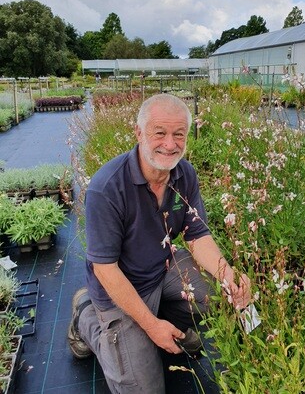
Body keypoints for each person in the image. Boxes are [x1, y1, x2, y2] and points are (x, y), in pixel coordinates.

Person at [68, 93, 251, 394]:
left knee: (216, 293)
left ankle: (165, 319)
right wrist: (152, 328)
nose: (170, 144)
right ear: (139, 133)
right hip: (119, 290)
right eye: (160, 133)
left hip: (162, 270)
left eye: (179, 134)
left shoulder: (184, 174)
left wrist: (230, 279)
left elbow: (197, 236)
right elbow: (105, 269)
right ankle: (87, 318)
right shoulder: (107, 187)